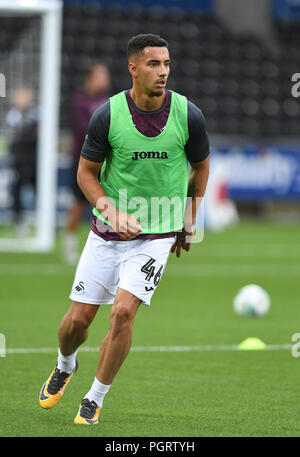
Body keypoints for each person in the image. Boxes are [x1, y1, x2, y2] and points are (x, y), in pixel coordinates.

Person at [39, 34, 210, 425]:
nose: (163, 71)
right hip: (106, 234)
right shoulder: (108, 114)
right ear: (133, 68)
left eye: (166, 63)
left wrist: (188, 218)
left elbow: (201, 167)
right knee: (76, 324)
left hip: (156, 237)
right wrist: (109, 210)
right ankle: (66, 364)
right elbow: (85, 173)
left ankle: (94, 398)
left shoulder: (189, 115)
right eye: (153, 64)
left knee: (122, 315)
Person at [64, 63, 110, 263]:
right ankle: (70, 243)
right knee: (79, 203)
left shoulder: (108, 101)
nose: (105, 79)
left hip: (106, 162)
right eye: (101, 75)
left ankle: (106, 243)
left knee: (108, 202)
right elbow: (85, 129)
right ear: (90, 78)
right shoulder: (80, 101)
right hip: (83, 160)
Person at [5, 87, 38, 235]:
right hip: (19, 159)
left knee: (38, 188)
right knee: (17, 188)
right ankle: (18, 219)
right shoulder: (13, 115)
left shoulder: (36, 113)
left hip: (34, 158)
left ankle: (40, 216)